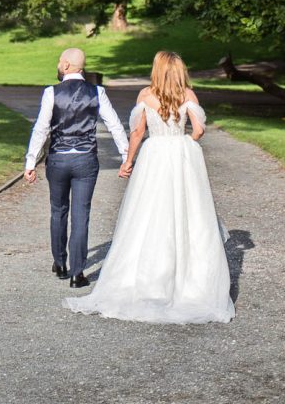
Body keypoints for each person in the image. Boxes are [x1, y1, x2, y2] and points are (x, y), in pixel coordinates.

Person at [67, 50, 235, 324]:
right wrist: (186, 142)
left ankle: (146, 277)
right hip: (180, 156)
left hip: (155, 154)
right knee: (187, 211)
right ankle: (189, 279)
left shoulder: (146, 95)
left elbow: (137, 132)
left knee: (149, 211)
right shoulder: (188, 95)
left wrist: (128, 161)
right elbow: (199, 130)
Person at [24, 48, 129, 287]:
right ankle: (77, 273)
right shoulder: (97, 92)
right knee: (81, 215)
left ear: (69, 65)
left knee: (58, 210)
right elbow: (114, 125)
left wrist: (31, 161)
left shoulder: (51, 92)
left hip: (59, 159)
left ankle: (60, 263)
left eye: (61, 62)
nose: (59, 65)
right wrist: (125, 155)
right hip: (85, 159)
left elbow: (41, 128)